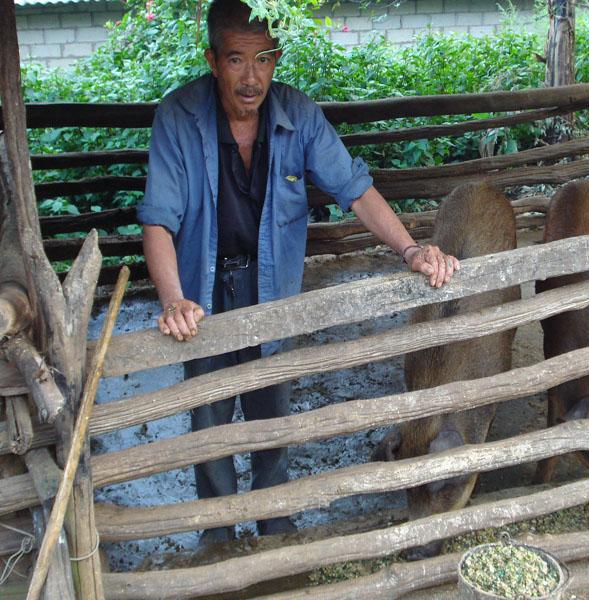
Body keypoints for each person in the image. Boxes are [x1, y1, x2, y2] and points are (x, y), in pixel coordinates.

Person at [137, 0, 459, 545]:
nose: (251, 77)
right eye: (237, 60)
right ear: (213, 60)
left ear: (276, 59)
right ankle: (219, 539)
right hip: (201, 294)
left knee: (273, 415)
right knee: (208, 422)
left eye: (263, 60)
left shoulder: (298, 116)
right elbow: (159, 220)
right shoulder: (178, 117)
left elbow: (354, 189)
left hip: (271, 292)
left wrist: (409, 249)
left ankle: (277, 528)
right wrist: (173, 299)